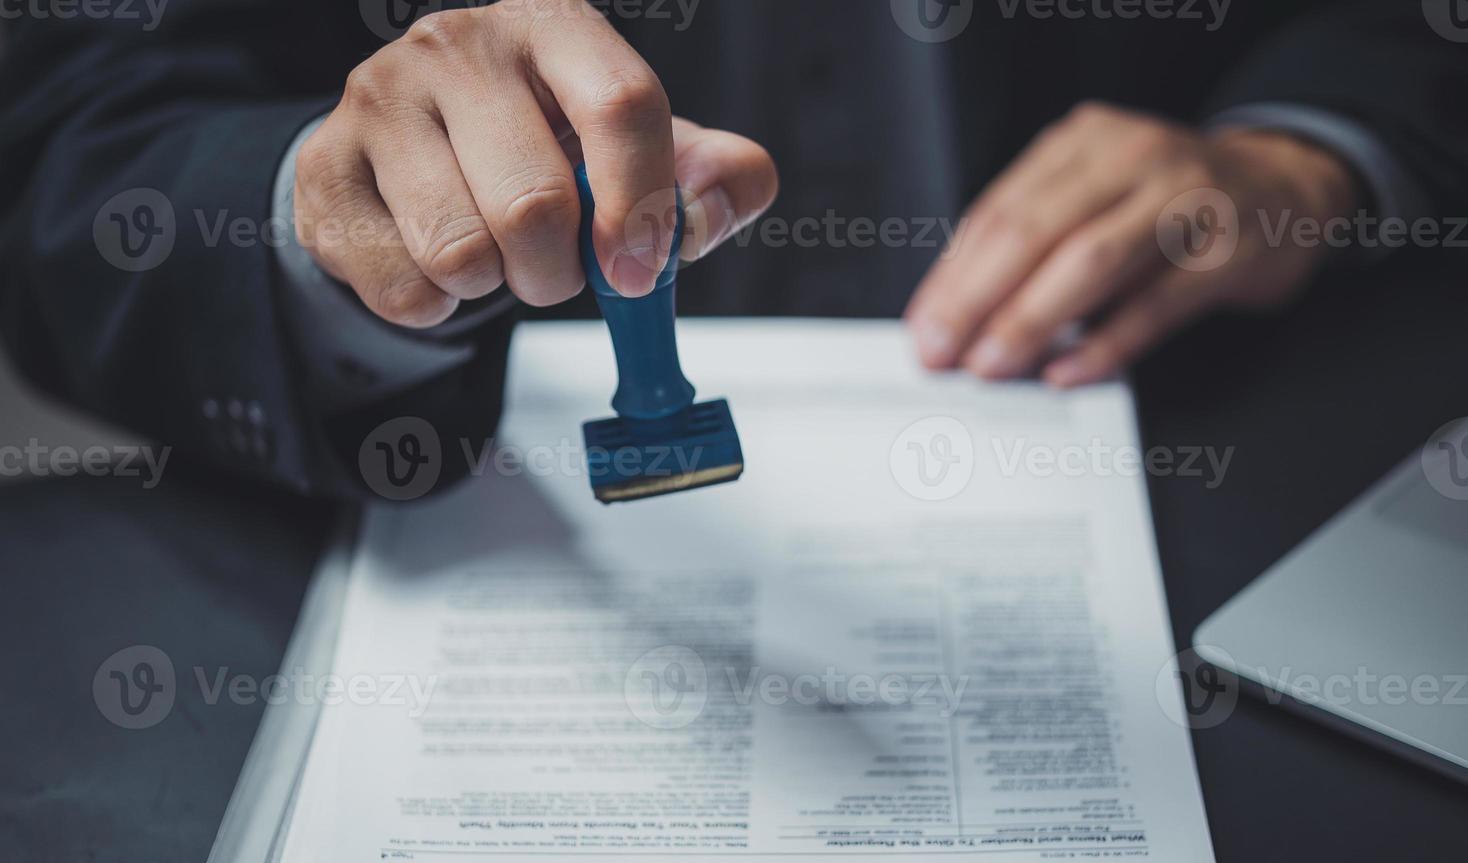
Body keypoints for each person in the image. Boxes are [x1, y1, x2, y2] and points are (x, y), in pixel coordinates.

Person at [2, 0, 1464, 498]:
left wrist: (1305, 146)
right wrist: (336, 228)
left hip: (1185, 432)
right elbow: (70, 123)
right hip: (406, 518)